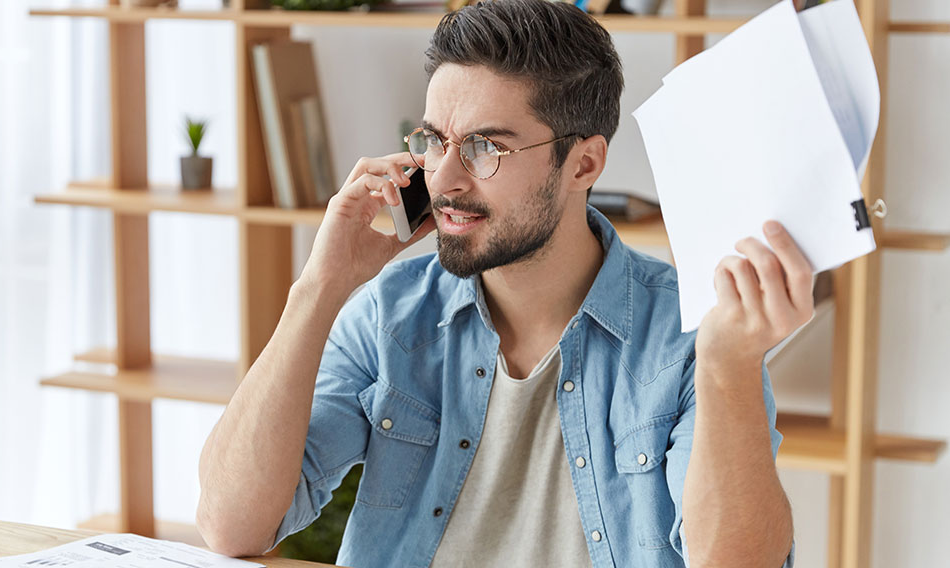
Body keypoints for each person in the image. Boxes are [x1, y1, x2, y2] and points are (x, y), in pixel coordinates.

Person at [197, 0, 804, 566]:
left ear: (584, 163)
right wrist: (319, 287)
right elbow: (232, 526)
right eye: (435, 141)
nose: (445, 179)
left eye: (487, 148)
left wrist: (728, 367)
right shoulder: (391, 313)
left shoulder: (692, 336)